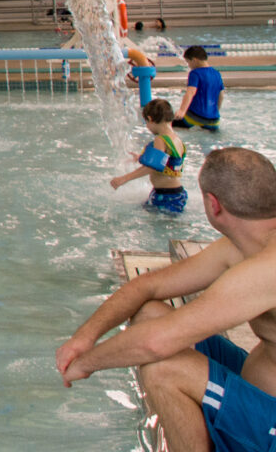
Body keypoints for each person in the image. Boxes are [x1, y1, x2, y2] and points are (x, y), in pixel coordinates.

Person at [56, 148, 276, 452]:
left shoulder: (267, 268)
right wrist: (83, 337)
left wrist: (86, 363)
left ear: (213, 206)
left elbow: (156, 343)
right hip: (260, 390)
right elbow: (148, 287)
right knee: (149, 314)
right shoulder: (243, 247)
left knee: (163, 368)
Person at [110, 99, 188, 213]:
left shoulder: (160, 139)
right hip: (175, 193)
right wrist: (141, 158)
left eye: (146, 122)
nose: (147, 126)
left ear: (150, 119)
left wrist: (124, 179)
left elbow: (153, 167)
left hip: (166, 196)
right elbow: (167, 162)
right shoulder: (176, 139)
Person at [175, 45, 225, 131]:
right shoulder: (217, 73)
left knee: (168, 126)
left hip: (195, 118)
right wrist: (215, 112)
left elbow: (191, 92)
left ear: (194, 60)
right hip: (214, 121)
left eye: (188, 62)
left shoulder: (195, 73)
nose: (188, 65)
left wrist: (182, 111)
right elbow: (221, 95)